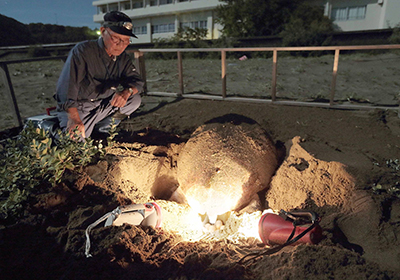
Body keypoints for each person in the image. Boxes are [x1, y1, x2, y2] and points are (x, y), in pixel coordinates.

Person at [55, 11, 144, 140]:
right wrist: (74, 119)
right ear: (103, 31)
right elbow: (66, 88)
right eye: (116, 39)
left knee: (134, 100)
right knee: (74, 144)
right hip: (80, 107)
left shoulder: (122, 58)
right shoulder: (83, 51)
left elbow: (137, 82)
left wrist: (127, 92)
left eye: (126, 41)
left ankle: (103, 130)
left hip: (103, 104)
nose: (121, 45)